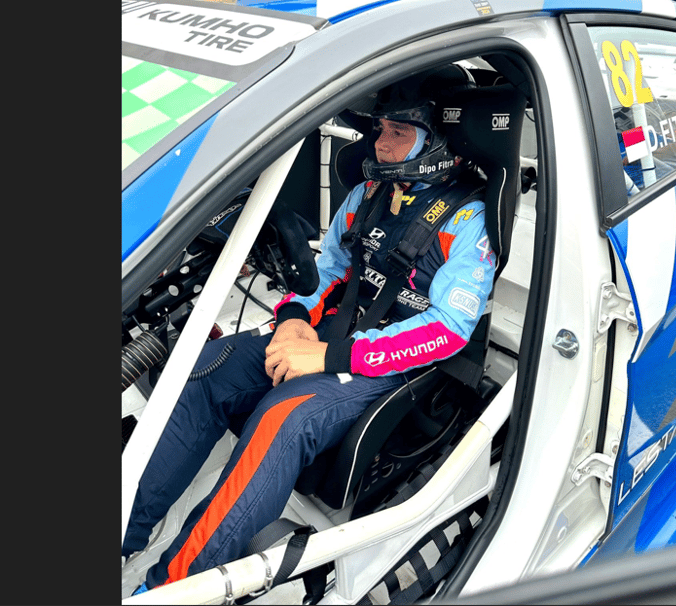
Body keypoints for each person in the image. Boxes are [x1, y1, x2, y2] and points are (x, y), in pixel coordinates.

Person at [123, 65, 496, 592]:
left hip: (389, 362)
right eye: (380, 129)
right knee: (206, 370)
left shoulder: (469, 218)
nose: (381, 143)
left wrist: (329, 357)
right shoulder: (368, 193)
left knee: (282, 418)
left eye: (398, 132)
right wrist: (293, 322)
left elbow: (450, 330)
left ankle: (170, 588)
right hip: (328, 335)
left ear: (438, 140)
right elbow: (328, 267)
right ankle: (122, 532)